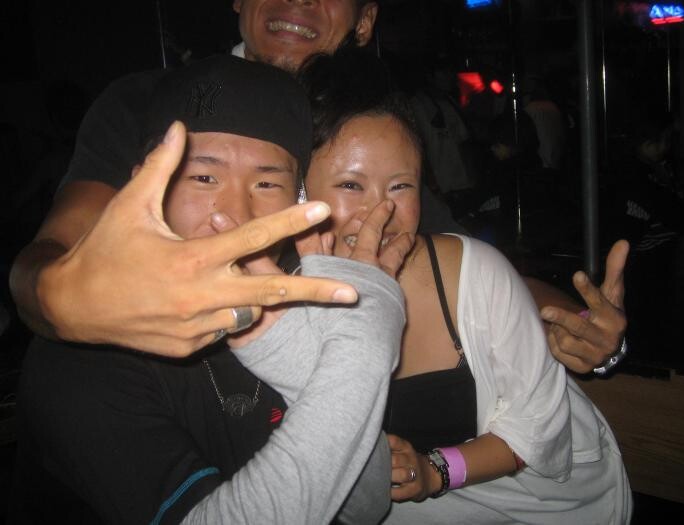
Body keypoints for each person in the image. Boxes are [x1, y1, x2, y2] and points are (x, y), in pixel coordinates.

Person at [8, 1, 625, 371]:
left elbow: (451, 257)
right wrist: (62, 297)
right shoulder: (150, 105)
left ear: (365, 21)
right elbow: (46, 261)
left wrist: (570, 322)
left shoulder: (361, 135)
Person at [12, 55, 409, 525]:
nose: (234, 213)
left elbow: (365, 504)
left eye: (267, 182)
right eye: (204, 178)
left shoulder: (293, 300)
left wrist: (297, 352)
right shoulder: (82, 356)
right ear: (143, 187)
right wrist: (366, 338)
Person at [299, 48, 632, 524]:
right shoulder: (285, 301)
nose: (381, 213)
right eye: (351, 186)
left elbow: (535, 431)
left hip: (545, 506)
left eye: (400, 186)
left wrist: (434, 470)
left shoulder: (473, 272)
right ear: (299, 191)